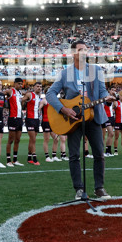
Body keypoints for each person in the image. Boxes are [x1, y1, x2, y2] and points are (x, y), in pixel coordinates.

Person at [46, 40, 115, 200]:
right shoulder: (65, 73)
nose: (84, 52)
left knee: (99, 154)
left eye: (85, 49)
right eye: (80, 50)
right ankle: (79, 188)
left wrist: (107, 98)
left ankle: (99, 188)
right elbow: (50, 94)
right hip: (72, 119)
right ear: (73, 53)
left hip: (94, 116)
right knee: (74, 155)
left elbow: (103, 91)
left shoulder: (96, 70)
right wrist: (63, 109)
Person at [22, 82, 42, 165]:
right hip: (30, 119)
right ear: (34, 87)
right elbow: (22, 100)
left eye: (40, 87)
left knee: (32, 140)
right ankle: (34, 158)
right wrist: (23, 105)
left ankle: (29, 157)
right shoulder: (30, 95)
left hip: (36, 120)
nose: (39, 88)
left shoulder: (39, 96)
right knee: (33, 139)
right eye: (37, 86)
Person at [5, 78, 25, 166]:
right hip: (12, 118)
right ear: (15, 84)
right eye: (19, 84)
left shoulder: (20, 93)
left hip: (19, 118)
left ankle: (15, 160)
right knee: (11, 140)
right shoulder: (10, 91)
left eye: (21, 84)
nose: (20, 85)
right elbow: (3, 93)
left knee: (18, 139)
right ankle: (8, 160)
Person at [39, 92, 62, 162]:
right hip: (45, 122)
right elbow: (38, 109)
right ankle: (47, 157)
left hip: (52, 122)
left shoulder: (53, 101)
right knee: (46, 139)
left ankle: (54, 156)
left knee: (56, 139)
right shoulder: (44, 100)